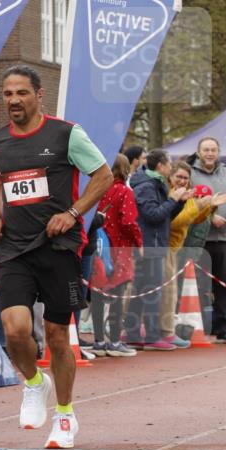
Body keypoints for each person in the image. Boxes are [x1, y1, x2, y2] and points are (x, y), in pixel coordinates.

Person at [0, 65, 112, 450]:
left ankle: (66, 415)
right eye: (7, 94)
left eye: (22, 93)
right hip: (14, 249)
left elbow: (103, 175)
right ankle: (34, 384)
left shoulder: (66, 134)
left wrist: (72, 213)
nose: (14, 101)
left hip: (59, 247)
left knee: (57, 335)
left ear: (39, 96)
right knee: (14, 328)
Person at [159, 160, 226, 348]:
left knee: (172, 293)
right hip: (164, 247)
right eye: (179, 177)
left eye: (186, 178)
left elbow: (194, 219)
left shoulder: (186, 196)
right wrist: (199, 205)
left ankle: (167, 331)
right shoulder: (169, 195)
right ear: (170, 177)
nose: (182, 181)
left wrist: (209, 206)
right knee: (168, 294)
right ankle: (165, 333)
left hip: (175, 248)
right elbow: (177, 221)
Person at [125, 149, 187, 351]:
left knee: (143, 291)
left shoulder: (155, 184)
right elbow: (152, 215)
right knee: (152, 292)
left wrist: (179, 201)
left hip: (153, 243)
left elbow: (165, 217)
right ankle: (151, 336)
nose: (171, 167)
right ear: (160, 165)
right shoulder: (146, 186)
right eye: (169, 163)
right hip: (149, 246)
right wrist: (172, 200)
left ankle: (133, 334)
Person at [190, 136, 226, 344]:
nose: (210, 153)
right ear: (198, 152)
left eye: (213, 150)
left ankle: (222, 327)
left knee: (224, 283)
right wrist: (208, 215)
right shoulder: (191, 174)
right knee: (197, 284)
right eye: (206, 150)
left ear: (218, 152)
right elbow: (188, 200)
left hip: (224, 238)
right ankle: (195, 327)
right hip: (198, 239)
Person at [90, 153, 143, 357]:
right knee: (118, 296)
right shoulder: (124, 192)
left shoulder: (96, 189)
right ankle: (114, 341)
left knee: (98, 295)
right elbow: (129, 222)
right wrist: (138, 242)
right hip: (120, 249)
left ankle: (98, 340)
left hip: (98, 246)